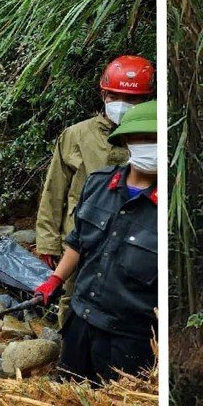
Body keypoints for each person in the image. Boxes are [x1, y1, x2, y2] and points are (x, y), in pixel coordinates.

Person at [32, 100, 161, 382]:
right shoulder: (99, 184)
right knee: (67, 395)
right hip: (81, 320)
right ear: (126, 140)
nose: (150, 145)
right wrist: (55, 280)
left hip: (130, 337)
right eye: (143, 137)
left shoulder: (168, 208)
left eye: (156, 138)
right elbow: (78, 242)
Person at [35, 56, 151, 275]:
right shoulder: (76, 135)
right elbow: (54, 191)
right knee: (69, 302)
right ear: (103, 94)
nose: (122, 104)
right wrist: (47, 243)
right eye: (114, 96)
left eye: (131, 99)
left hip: (130, 249)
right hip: (77, 241)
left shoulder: (150, 140)